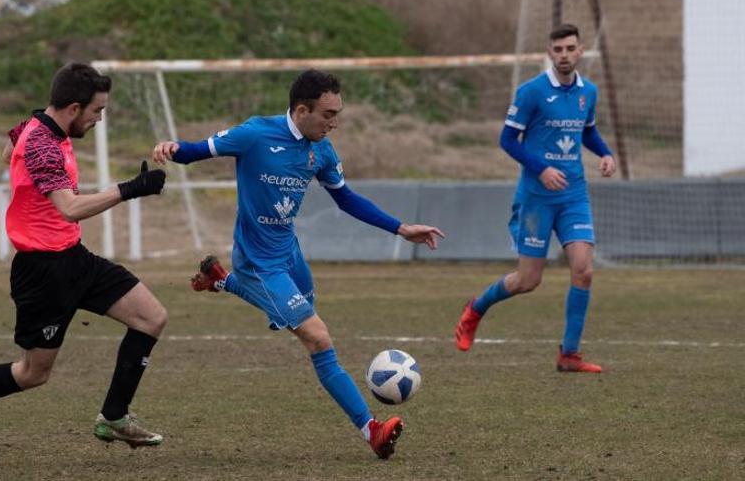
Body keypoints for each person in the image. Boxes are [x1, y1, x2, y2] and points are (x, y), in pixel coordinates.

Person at [152, 69, 444, 459]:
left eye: (337, 113)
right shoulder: (255, 134)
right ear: (301, 110)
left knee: (297, 323)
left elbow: (347, 199)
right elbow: (195, 151)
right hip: (258, 261)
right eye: (327, 114)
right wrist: (171, 148)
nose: (334, 122)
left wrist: (400, 227)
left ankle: (220, 280)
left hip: (290, 254)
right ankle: (370, 429)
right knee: (317, 337)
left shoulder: (321, 150)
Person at [0, 63, 169, 457]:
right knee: (33, 374)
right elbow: (68, 207)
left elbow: (5, 152)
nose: (99, 119)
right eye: (96, 111)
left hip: (74, 258)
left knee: (152, 317)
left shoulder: (36, 128)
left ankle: (114, 416)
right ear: (72, 107)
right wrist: (130, 188)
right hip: (42, 273)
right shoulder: (42, 145)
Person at [454, 24, 617, 372]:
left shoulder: (589, 91)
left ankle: (569, 355)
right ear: (549, 52)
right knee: (528, 281)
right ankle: (476, 309)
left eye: (570, 48)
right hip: (536, 198)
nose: (564, 55)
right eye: (557, 49)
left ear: (580, 50)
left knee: (584, 271)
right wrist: (541, 169)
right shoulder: (532, 92)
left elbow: (586, 130)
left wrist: (605, 153)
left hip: (574, 195)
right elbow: (508, 140)